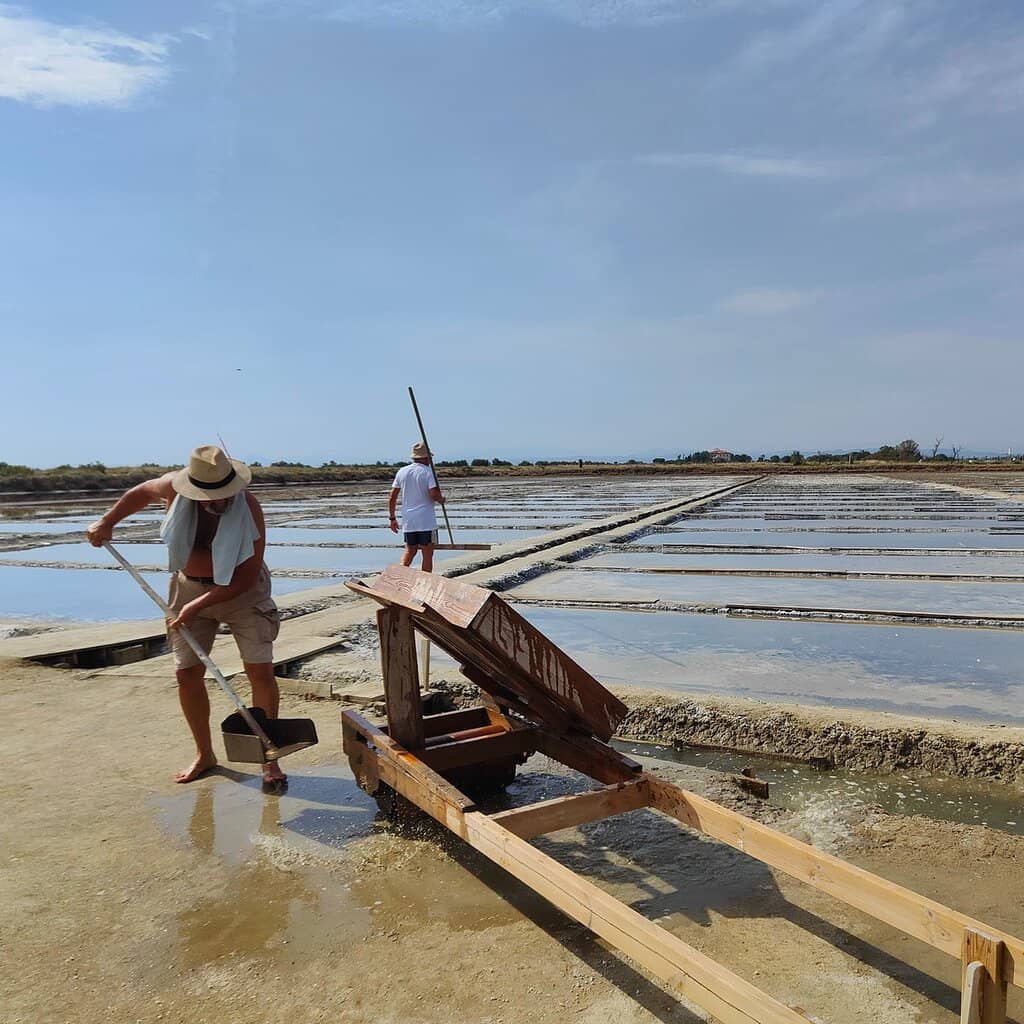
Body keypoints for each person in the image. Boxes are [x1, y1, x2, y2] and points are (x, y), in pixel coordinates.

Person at [87, 445, 285, 786]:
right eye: (210, 496)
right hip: (188, 586)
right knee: (186, 673)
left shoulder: (249, 507)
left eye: (224, 494)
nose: (219, 502)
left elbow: (246, 576)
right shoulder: (172, 487)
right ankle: (204, 754)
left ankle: (268, 758)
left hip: (243, 591)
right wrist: (107, 522)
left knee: (259, 671)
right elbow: (140, 493)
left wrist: (196, 607)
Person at [388, 442, 445, 572]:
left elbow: (392, 497)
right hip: (426, 521)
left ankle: (399, 577)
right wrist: (441, 499)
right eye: (429, 457)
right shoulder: (428, 472)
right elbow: (434, 494)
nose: (430, 460)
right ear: (426, 457)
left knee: (410, 550)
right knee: (427, 552)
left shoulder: (402, 471)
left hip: (409, 521)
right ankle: (425, 580)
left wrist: (392, 518)